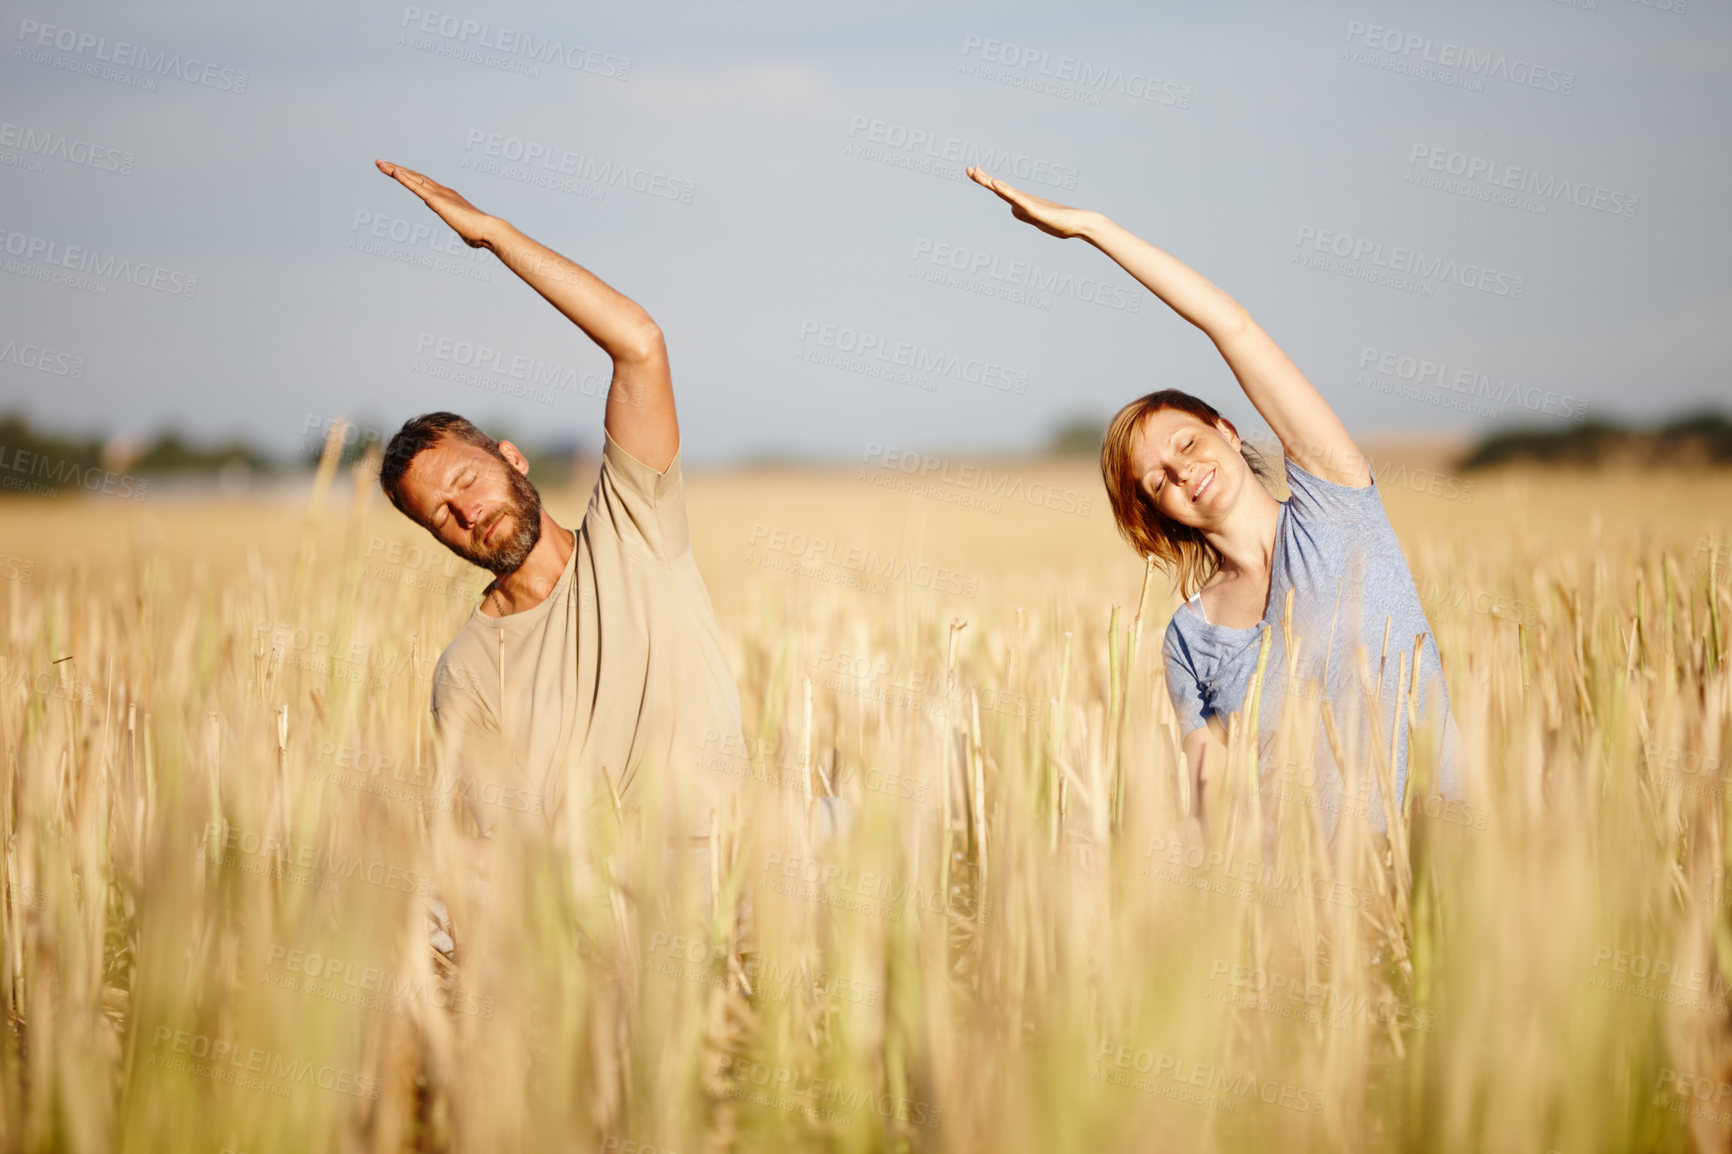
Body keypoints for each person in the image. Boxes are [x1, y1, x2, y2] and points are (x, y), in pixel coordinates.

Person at [966, 166, 1462, 842]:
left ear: (1228, 430)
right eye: (1158, 480)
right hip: (1311, 924)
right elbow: (1211, 813)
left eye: (1188, 441)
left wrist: (1093, 228)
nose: (1184, 471)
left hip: (1450, 879)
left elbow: (1235, 328)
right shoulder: (1189, 639)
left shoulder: (1338, 510)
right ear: (1156, 514)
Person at [371, 159, 744, 864]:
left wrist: (494, 237)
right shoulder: (467, 674)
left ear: (512, 458)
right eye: (441, 514)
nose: (467, 513)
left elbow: (639, 345)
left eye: (467, 480)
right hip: (605, 907)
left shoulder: (636, 528)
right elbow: (508, 854)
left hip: (732, 870)